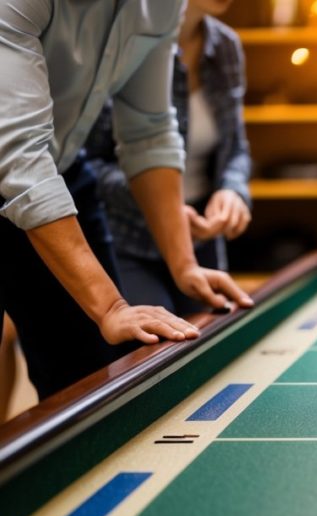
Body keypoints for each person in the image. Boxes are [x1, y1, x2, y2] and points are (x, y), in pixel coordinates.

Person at [0, 1, 253, 400]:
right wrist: (110, 307)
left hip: (60, 170)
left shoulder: (165, 5)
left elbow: (148, 132)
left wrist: (184, 264)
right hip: (23, 164)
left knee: (88, 385)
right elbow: (20, 159)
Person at [86, 0, 253, 314]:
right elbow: (87, 166)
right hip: (128, 240)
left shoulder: (227, 46)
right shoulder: (128, 42)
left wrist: (233, 190)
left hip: (201, 239)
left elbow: (236, 150)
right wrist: (165, 205)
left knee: (208, 342)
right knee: (158, 351)